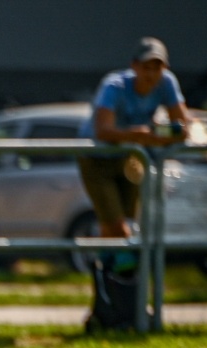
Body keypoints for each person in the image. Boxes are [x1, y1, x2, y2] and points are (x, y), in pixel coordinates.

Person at [76, 38, 189, 243]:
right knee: (119, 227)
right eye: (146, 67)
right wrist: (137, 135)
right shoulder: (114, 85)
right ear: (134, 66)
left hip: (131, 158)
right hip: (97, 160)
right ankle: (129, 272)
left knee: (124, 224)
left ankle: (105, 269)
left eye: (158, 68)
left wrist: (156, 135)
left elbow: (182, 128)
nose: (151, 74)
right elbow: (102, 131)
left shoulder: (168, 82)